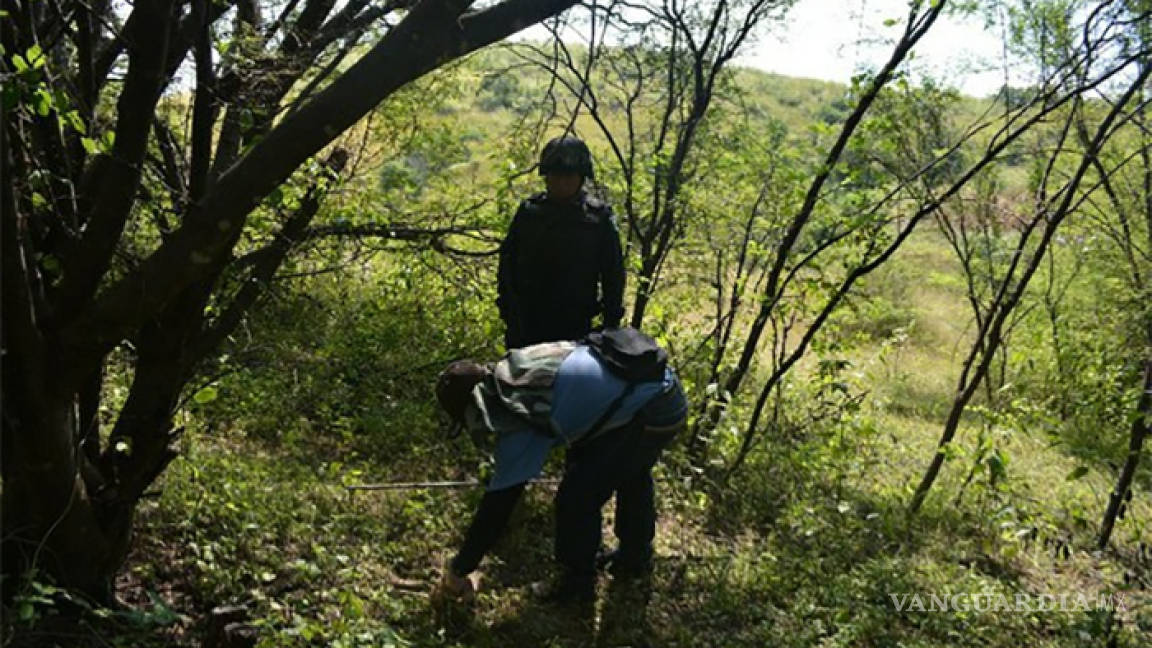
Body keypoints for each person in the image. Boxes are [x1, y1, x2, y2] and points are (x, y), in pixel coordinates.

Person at [431, 331, 686, 605]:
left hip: (652, 408)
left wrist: (460, 568)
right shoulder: (517, 369)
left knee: (577, 498)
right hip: (658, 390)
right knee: (630, 470)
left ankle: (576, 587)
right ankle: (634, 559)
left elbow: (499, 505)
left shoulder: (520, 412)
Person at [497, 135, 626, 349]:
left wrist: (608, 327)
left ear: (581, 178)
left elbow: (613, 275)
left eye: (568, 177)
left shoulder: (598, 219)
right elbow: (507, 268)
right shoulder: (529, 214)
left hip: (577, 327)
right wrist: (510, 314)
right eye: (555, 176)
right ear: (546, 177)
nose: (561, 183)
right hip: (528, 327)